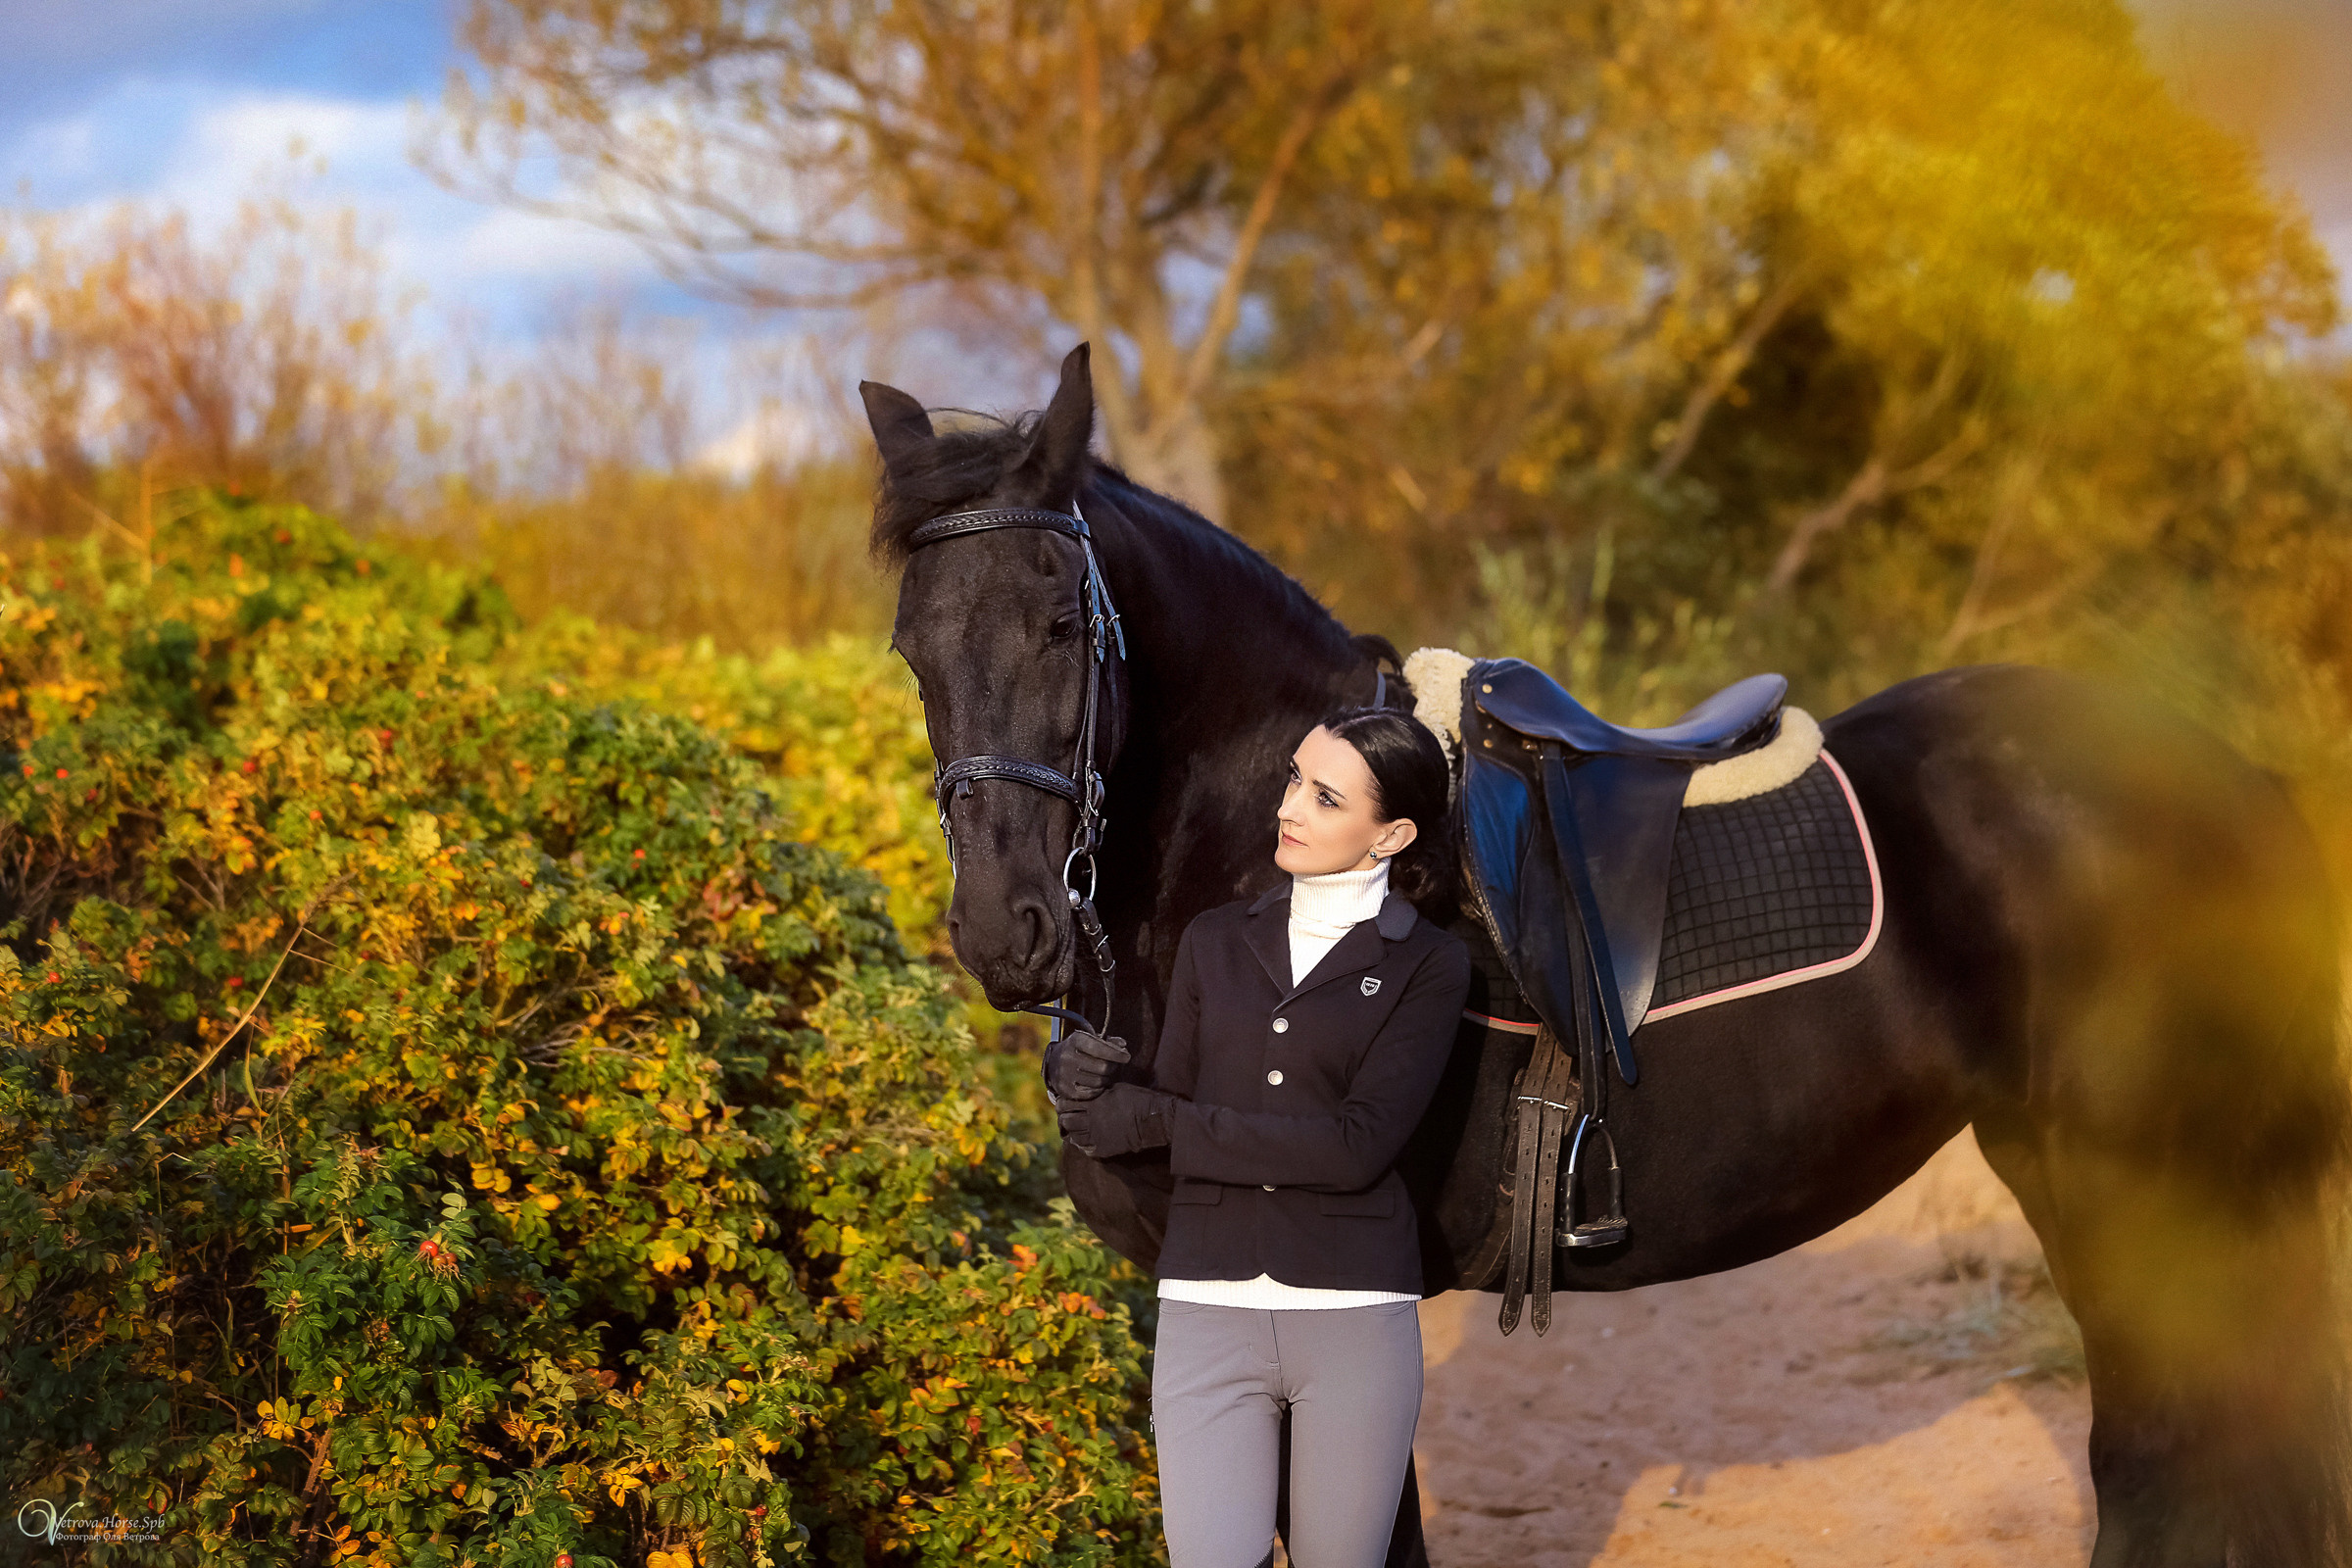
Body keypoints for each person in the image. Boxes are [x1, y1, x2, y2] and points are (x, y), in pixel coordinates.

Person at [1051, 705, 1473, 1568]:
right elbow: (1170, 1115)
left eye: (1325, 798)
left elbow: (1356, 1148)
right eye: (1294, 779)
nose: (1289, 807)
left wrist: (1164, 1120)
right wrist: (1081, 1087)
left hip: (1354, 1317)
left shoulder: (1429, 965)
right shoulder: (1213, 940)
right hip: (1207, 1308)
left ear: (1389, 834)